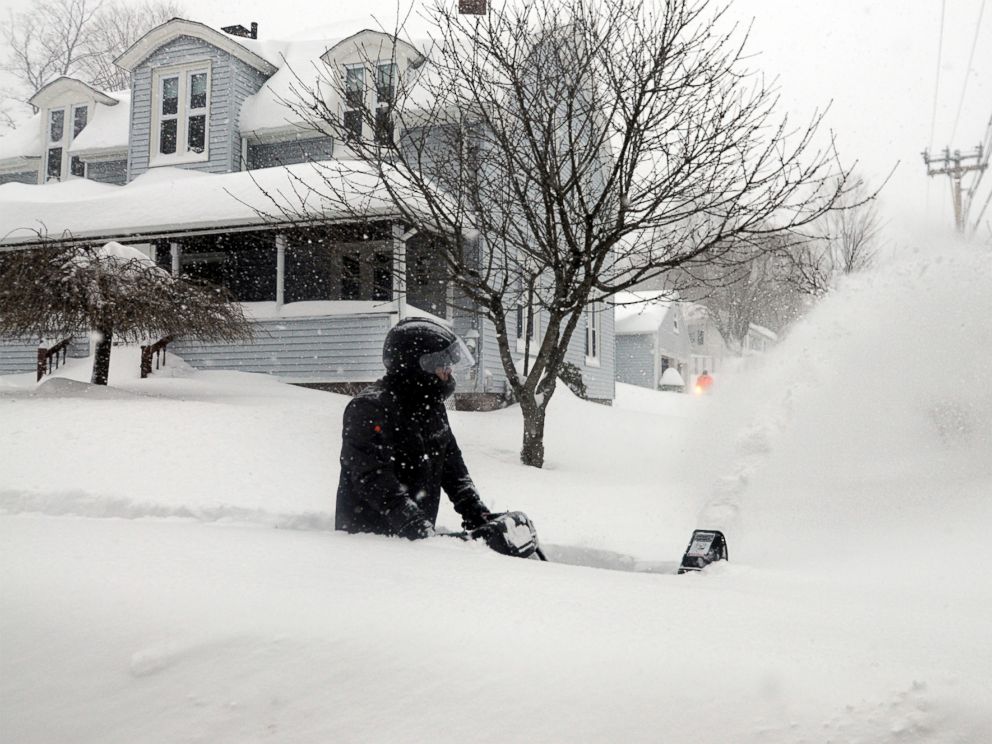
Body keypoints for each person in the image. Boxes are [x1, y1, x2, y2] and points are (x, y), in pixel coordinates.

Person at [335, 317, 491, 539]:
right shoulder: (369, 408)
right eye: (441, 363)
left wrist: (477, 512)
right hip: (369, 542)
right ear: (416, 365)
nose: (448, 371)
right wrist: (415, 525)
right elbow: (373, 479)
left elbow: (452, 467)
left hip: (415, 542)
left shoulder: (431, 406)